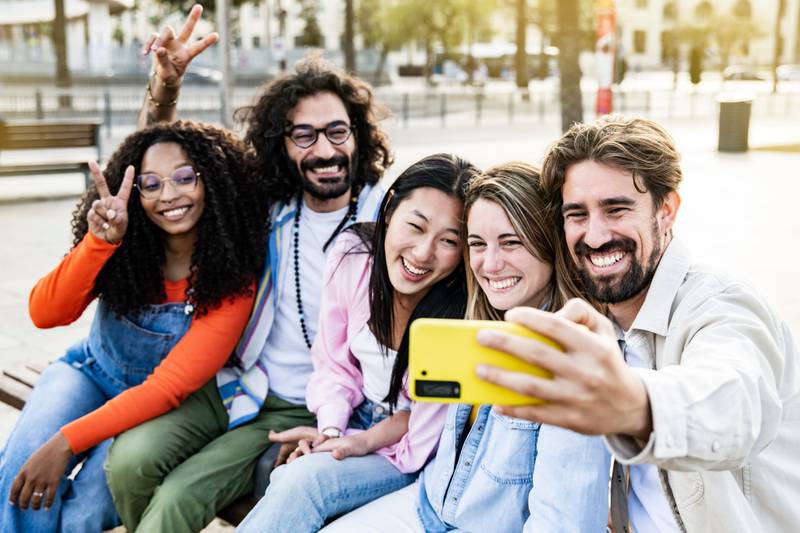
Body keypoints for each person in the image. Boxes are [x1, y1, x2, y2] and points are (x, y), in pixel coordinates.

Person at [104, 7, 391, 532]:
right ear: (282, 146)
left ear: (358, 136)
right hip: (239, 380)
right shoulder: (267, 208)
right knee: (128, 461)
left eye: (336, 131)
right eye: (304, 136)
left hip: (309, 406)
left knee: (176, 500)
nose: (325, 150)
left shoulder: (388, 220)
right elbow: (162, 167)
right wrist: (165, 90)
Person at [476, 116, 800, 532]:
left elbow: (735, 401)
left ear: (666, 211)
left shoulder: (722, 305)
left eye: (616, 209)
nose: (594, 236)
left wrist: (634, 404)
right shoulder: (592, 320)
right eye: (577, 214)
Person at [0, 121, 264, 532]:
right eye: (151, 184)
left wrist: (66, 441)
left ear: (211, 180)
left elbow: (167, 390)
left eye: (184, 177)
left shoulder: (232, 276)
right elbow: (44, 312)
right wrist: (99, 243)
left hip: (154, 411)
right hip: (87, 372)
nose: (169, 195)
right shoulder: (127, 247)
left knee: (84, 512)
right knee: (21, 473)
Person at [323, 162, 611, 532]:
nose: (489, 265)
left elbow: (564, 523)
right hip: (427, 506)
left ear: (548, 243)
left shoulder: (570, 357)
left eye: (511, 242)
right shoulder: (473, 326)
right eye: (477, 244)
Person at [237, 154, 479, 532]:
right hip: (356, 419)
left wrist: (359, 444)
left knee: (306, 481)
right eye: (415, 226)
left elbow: (420, 429)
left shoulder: (462, 309)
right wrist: (332, 431)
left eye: (448, 240)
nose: (422, 253)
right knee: (291, 474)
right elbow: (335, 366)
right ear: (389, 210)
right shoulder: (354, 256)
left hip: (411, 449)